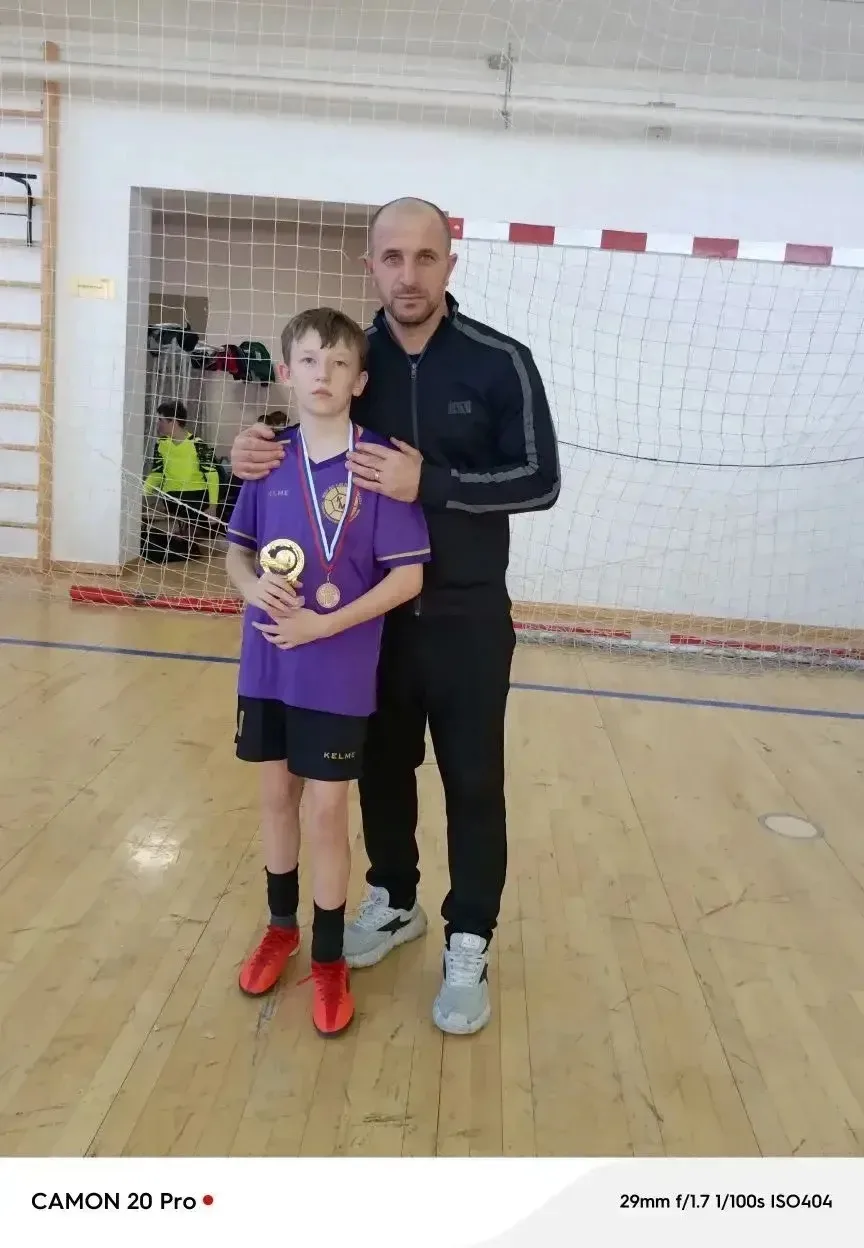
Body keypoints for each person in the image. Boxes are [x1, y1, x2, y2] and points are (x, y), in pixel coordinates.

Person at [229, 197, 560, 1036]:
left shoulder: (499, 361)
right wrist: (251, 444)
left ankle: (469, 938)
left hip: (466, 616)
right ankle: (396, 898)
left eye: (424, 257)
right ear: (370, 265)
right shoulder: (353, 356)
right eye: (391, 257)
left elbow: (541, 481)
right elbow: (306, 431)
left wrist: (433, 484)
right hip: (366, 625)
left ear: (450, 263)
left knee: (473, 781)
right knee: (378, 771)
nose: (407, 274)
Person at [226, 306, 430, 1037]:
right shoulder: (267, 458)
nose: (323, 374)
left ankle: (330, 955)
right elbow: (237, 554)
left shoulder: (377, 465)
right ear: (287, 372)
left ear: (359, 380)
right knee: (275, 797)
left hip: (338, 667)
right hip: (267, 662)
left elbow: (407, 579)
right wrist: (254, 590)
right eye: (310, 361)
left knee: (326, 812)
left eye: (339, 363)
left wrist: (323, 625)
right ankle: (281, 929)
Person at [143, 400, 221, 543]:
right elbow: (157, 473)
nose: (157, 424)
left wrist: (213, 507)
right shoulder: (161, 444)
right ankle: (188, 534)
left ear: (173, 422)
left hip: (196, 495)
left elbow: (212, 476)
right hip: (171, 496)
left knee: (206, 520)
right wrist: (142, 494)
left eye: (161, 420)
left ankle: (194, 532)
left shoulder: (198, 444)